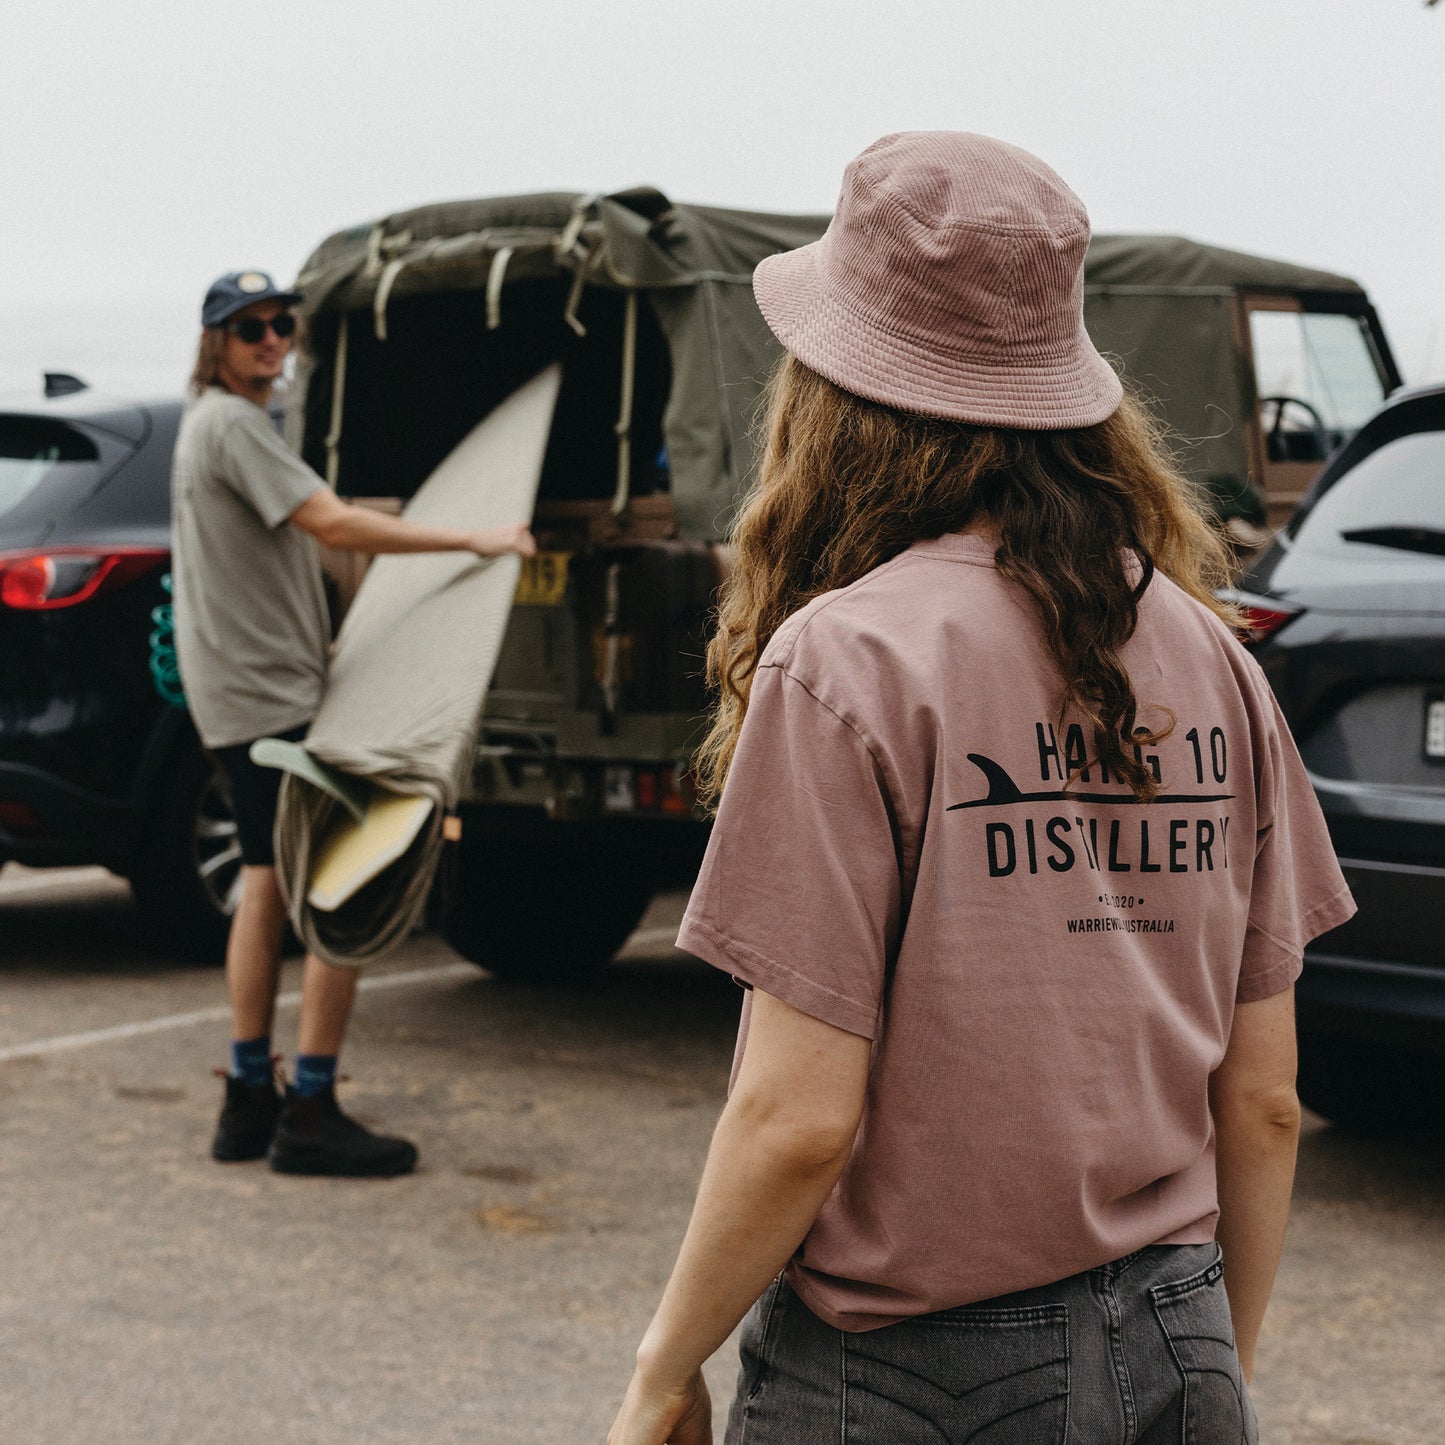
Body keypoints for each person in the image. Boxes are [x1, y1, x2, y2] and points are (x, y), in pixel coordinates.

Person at [608, 133, 1355, 1444]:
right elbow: (1266, 1097)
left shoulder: (847, 660)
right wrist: (1205, 1365)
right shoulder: (1208, 655)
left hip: (906, 1373)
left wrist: (664, 1366)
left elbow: (794, 1118)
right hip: (1177, 1324)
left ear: (837, 388)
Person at [172, 270, 535, 1177]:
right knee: (345, 878)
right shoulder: (231, 422)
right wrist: (473, 539)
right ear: (215, 341)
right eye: (248, 326)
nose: (269, 338)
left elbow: (313, 528)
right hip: (273, 696)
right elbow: (332, 525)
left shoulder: (210, 428)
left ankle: (249, 1095)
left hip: (238, 695)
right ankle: (311, 1108)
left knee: (265, 876)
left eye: (281, 323)